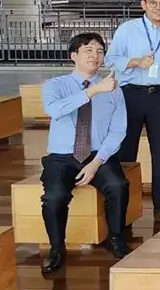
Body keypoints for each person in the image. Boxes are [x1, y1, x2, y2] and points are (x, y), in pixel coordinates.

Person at [39, 33, 130, 273]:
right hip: (62, 155)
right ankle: (56, 248)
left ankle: (115, 238)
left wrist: (97, 162)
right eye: (88, 50)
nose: (95, 55)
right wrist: (93, 91)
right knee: (55, 196)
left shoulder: (114, 89)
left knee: (118, 185)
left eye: (99, 51)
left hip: (97, 153)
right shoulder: (55, 85)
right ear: (73, 56)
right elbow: (55, 110)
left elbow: (118, 130)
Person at [105, 0, 160, 220]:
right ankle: (123, 203)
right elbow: (110, 59)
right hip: (130, 94)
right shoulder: (127, 29)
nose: (158, 8)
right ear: (143, 5)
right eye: (153, 3)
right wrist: (135, 62)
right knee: (125, 150)